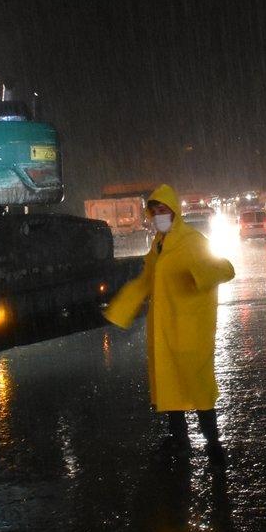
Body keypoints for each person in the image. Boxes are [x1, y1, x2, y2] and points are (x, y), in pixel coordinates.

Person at [103, 184, 236, 458]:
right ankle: (180, 440)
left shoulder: (192, 241)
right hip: (164, 330)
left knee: (198, 387)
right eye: (154, 212)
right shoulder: (158, 246)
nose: (159, 215)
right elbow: (145, 282)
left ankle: (213, 444)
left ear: (174, 211)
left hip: (189, 331)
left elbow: (225, 269)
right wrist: (121, 309)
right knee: (169, 387)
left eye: (163, 210)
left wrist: (203, 273)